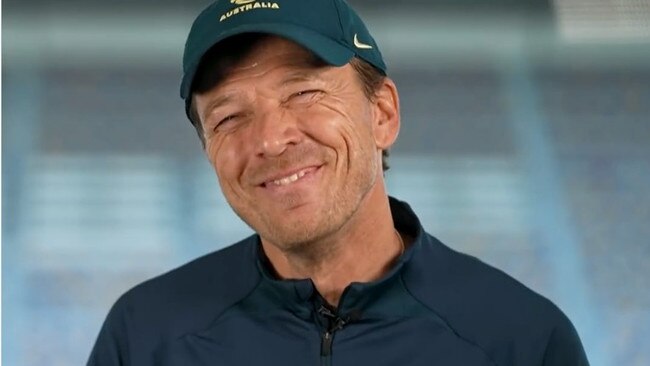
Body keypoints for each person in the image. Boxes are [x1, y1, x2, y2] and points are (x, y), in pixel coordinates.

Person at [88, 0, 590, 365]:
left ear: (383, 113)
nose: (270, 139)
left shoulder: (521, 340)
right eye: (228, 118)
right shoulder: (145, 337)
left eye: (304, 93)